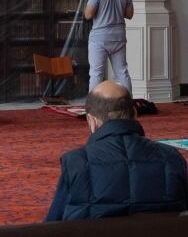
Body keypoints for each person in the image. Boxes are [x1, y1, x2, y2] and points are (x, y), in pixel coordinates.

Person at [45, 80, 188, 221]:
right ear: (135, 114)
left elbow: (53, 225)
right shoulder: (171, 158)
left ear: (92, 121)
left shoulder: (76, 162)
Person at [84, 0, 133, 93]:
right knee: (122, 72)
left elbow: (88, 14)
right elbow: (129, 14)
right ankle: (128, 104)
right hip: (118, 38)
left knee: (96, 73)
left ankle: (94, 107)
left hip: (100, 38)